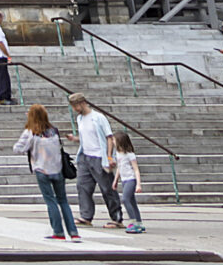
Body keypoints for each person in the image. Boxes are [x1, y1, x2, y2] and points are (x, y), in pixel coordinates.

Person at [16, 104, 77, 241]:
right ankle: (73, 232)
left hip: (41, 169)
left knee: (51, 201)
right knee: (63, 201)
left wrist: (29, 146)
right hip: (58, 169)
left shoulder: (30, 132)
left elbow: (18, 148)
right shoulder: (54, 131)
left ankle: (58, 232)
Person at [69, 95, 122, 227]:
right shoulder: (80, 118)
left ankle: (117, 218)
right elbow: (85, 137)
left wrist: (109, 156)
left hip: (99, 157)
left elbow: (109, 137)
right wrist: (75, 139)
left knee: (107, 188)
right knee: (83, 186)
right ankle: (86, 216)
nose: (75, 109)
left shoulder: (98, 118)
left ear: (82, 103)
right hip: (85, 156)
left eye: (75, 106)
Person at [111, 132, 145, 235]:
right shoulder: (118, 153)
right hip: (124, 180)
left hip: (131, 179)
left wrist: (138, 184)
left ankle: (133, 222)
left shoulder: (130, 155)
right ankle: (139, 222)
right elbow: (119, 168)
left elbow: (136, 170)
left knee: (125, 199)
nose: (112, 142)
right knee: (132, 201)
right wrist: (116, 180)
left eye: (114, 140)